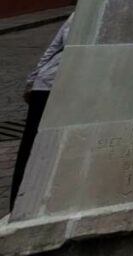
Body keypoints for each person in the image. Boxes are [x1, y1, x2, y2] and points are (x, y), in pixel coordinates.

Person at [9, 14, 73, 212]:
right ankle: (20, 206)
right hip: (50, 86)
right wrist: (34, 79)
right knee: (33, 148)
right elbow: (54, 48)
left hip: (64, 87)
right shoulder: (78, 16)